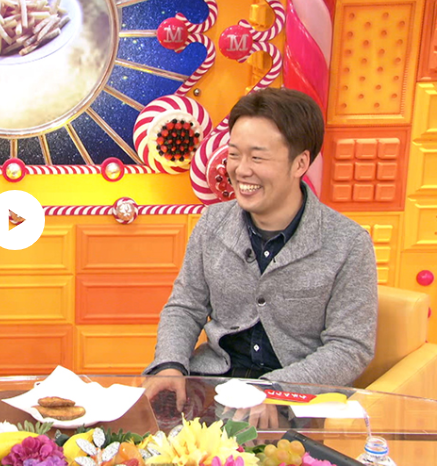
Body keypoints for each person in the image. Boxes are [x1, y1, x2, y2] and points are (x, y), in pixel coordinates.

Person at [143, 88, 378, 427]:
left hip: (292, 402)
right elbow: (185, 307)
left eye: (257, 158)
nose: (240, 170)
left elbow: (349, 346)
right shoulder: (212, 223)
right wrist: (170, 364)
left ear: (300, 163)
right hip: (212, 390)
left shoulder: (348, 243)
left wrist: (275, 390)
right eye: (234, 154)